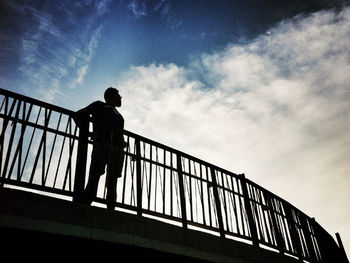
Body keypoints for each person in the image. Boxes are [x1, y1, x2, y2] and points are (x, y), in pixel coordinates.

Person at [74, 87, 126, 210]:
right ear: (111, 96)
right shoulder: (99, 105)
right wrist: (88, 133)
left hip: (117, 151)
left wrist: (123, 143)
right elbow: (78, 115)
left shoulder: (119, 116)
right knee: (94, 177)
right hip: (101, 147)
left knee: (112, 183)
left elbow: (118, 133)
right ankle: (84, 207)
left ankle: (111, 212)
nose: (120, 97)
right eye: (118, 95)